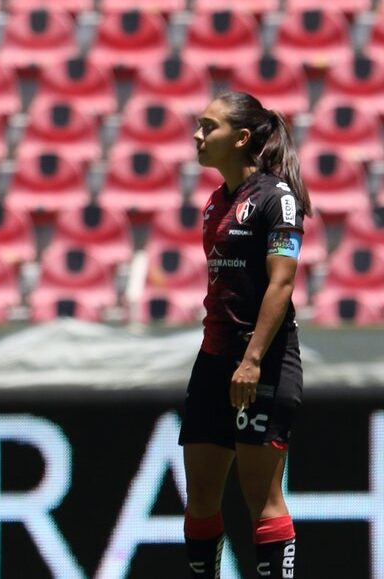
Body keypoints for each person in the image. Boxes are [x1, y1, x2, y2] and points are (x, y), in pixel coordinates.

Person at [181, 92, 311, 578]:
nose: (197, 136)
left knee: (263, 501)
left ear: (239, 138)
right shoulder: (216, 201)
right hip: (214, 360)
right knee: (200, 503)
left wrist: (252, 359)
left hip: (264, 363)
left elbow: (281, 283)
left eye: (207, 127)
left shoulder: (276, 198)